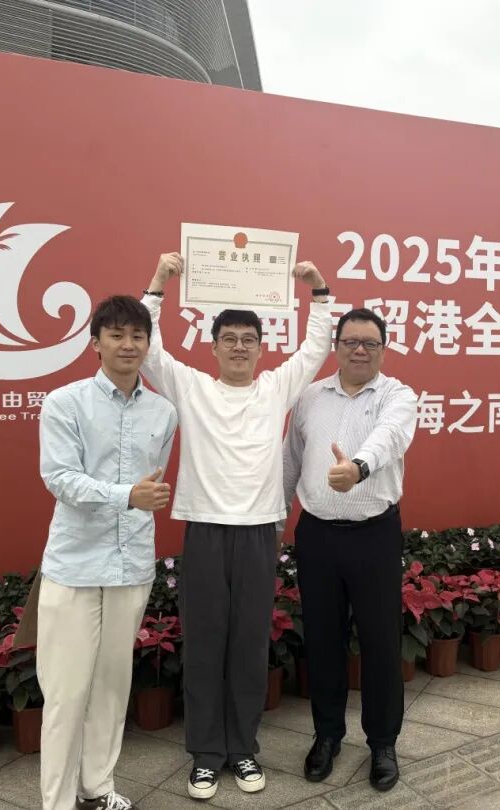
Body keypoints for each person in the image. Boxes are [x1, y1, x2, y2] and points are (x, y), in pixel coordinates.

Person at [140, 253, 332, 800]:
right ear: (215, 346)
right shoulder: (192, 387)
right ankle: (205, 755)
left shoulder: (275, 388)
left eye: (249, 339)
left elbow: (315, 347)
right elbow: (151, 351)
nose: (240, 347)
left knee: (248, 646)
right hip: (204, 529)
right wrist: (158, 284)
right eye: (230, 339)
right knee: (205, 644)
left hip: (257, 533)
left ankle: (243, 748)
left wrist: (319, 291)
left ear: (261, 348)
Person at [35, 295, 177, 810]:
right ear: (95, 343)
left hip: (130, 564)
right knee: (66, 693)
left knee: (113, 687)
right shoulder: (65, 402)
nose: (128, 344)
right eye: (116, 335)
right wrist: (126, 497)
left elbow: (153, 481)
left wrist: (138, 499)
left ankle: (97, 788)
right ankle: (56, 802)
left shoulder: (164, 412)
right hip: (74, 565)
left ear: (148, 344)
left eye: (137, 335)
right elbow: (59, 477)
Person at [282, 308, 417, 792]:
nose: (360, 350)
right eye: (351, 342)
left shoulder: (397, 395)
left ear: (383, 348)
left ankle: (382, 743)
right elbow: (291, 461)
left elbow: (389, 437)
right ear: (335, 346)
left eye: (370, 343)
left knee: (380, 643)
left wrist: (357, 467)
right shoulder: (310, 397)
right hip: (317, 535)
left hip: (373, 535)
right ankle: (327, 736)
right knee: (323, 640)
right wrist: (276, 518)